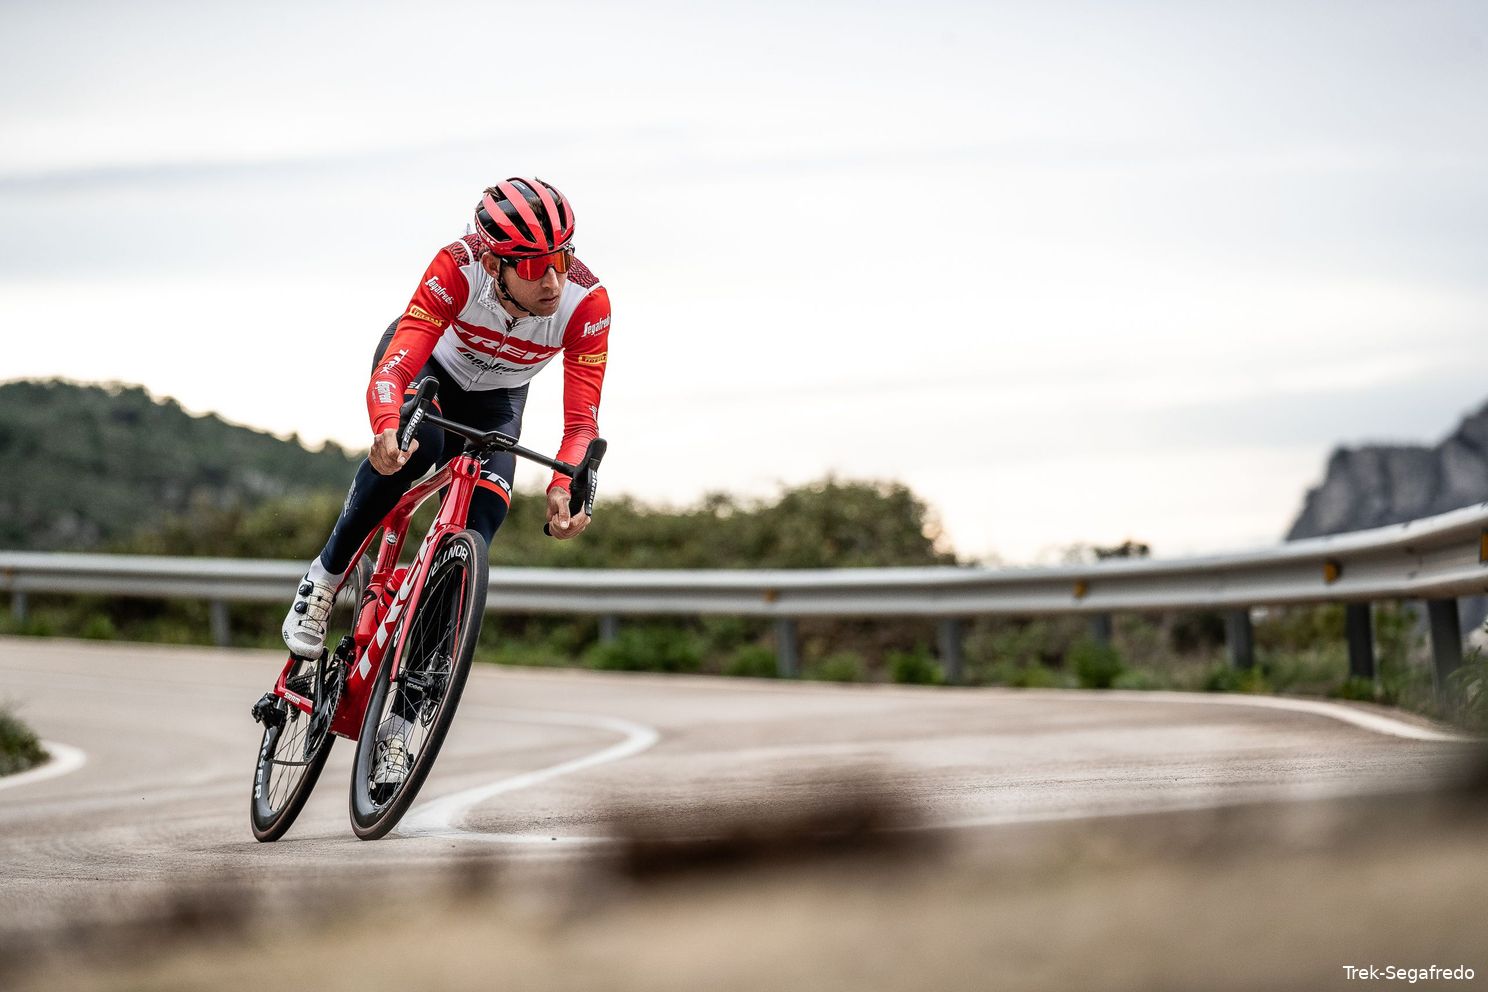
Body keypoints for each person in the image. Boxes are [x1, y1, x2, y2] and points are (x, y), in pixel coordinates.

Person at [281, 177, 610, 664]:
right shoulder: (458, 267)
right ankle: (324, 579)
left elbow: (582, 425)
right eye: (538, 266)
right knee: (421, 447)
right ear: (496, 262)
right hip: (428, 369)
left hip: (498, 398)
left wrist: (565, 484)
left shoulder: (587, 304)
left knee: (486, 513)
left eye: (562, 260)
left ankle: (410, 706)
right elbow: (397, 365)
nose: (553, 283)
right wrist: (386, 423)